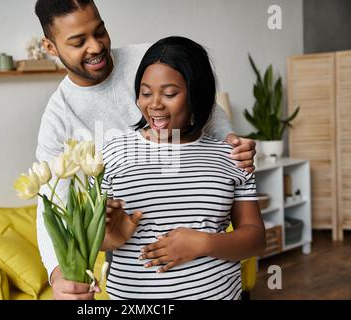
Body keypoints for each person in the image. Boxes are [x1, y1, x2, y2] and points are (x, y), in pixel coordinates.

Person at [34, 0, 257, 300]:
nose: (96, 47)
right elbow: (51, 199)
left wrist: (233, 146)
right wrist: (59, 271)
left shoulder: (150, 59)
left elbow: (208, 111)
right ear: (50, 47)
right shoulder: (59, 117)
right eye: (78, 42)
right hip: (136, 281)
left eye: (100, 31)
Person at [100, 36, 266, 299]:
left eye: (169, 94)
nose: (154, 104)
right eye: (145, 93)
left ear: (196, 95)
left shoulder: (233, 156)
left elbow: (256, 239)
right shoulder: (113, 153)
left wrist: (203, 243)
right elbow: (96, 243)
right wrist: (112, 236)